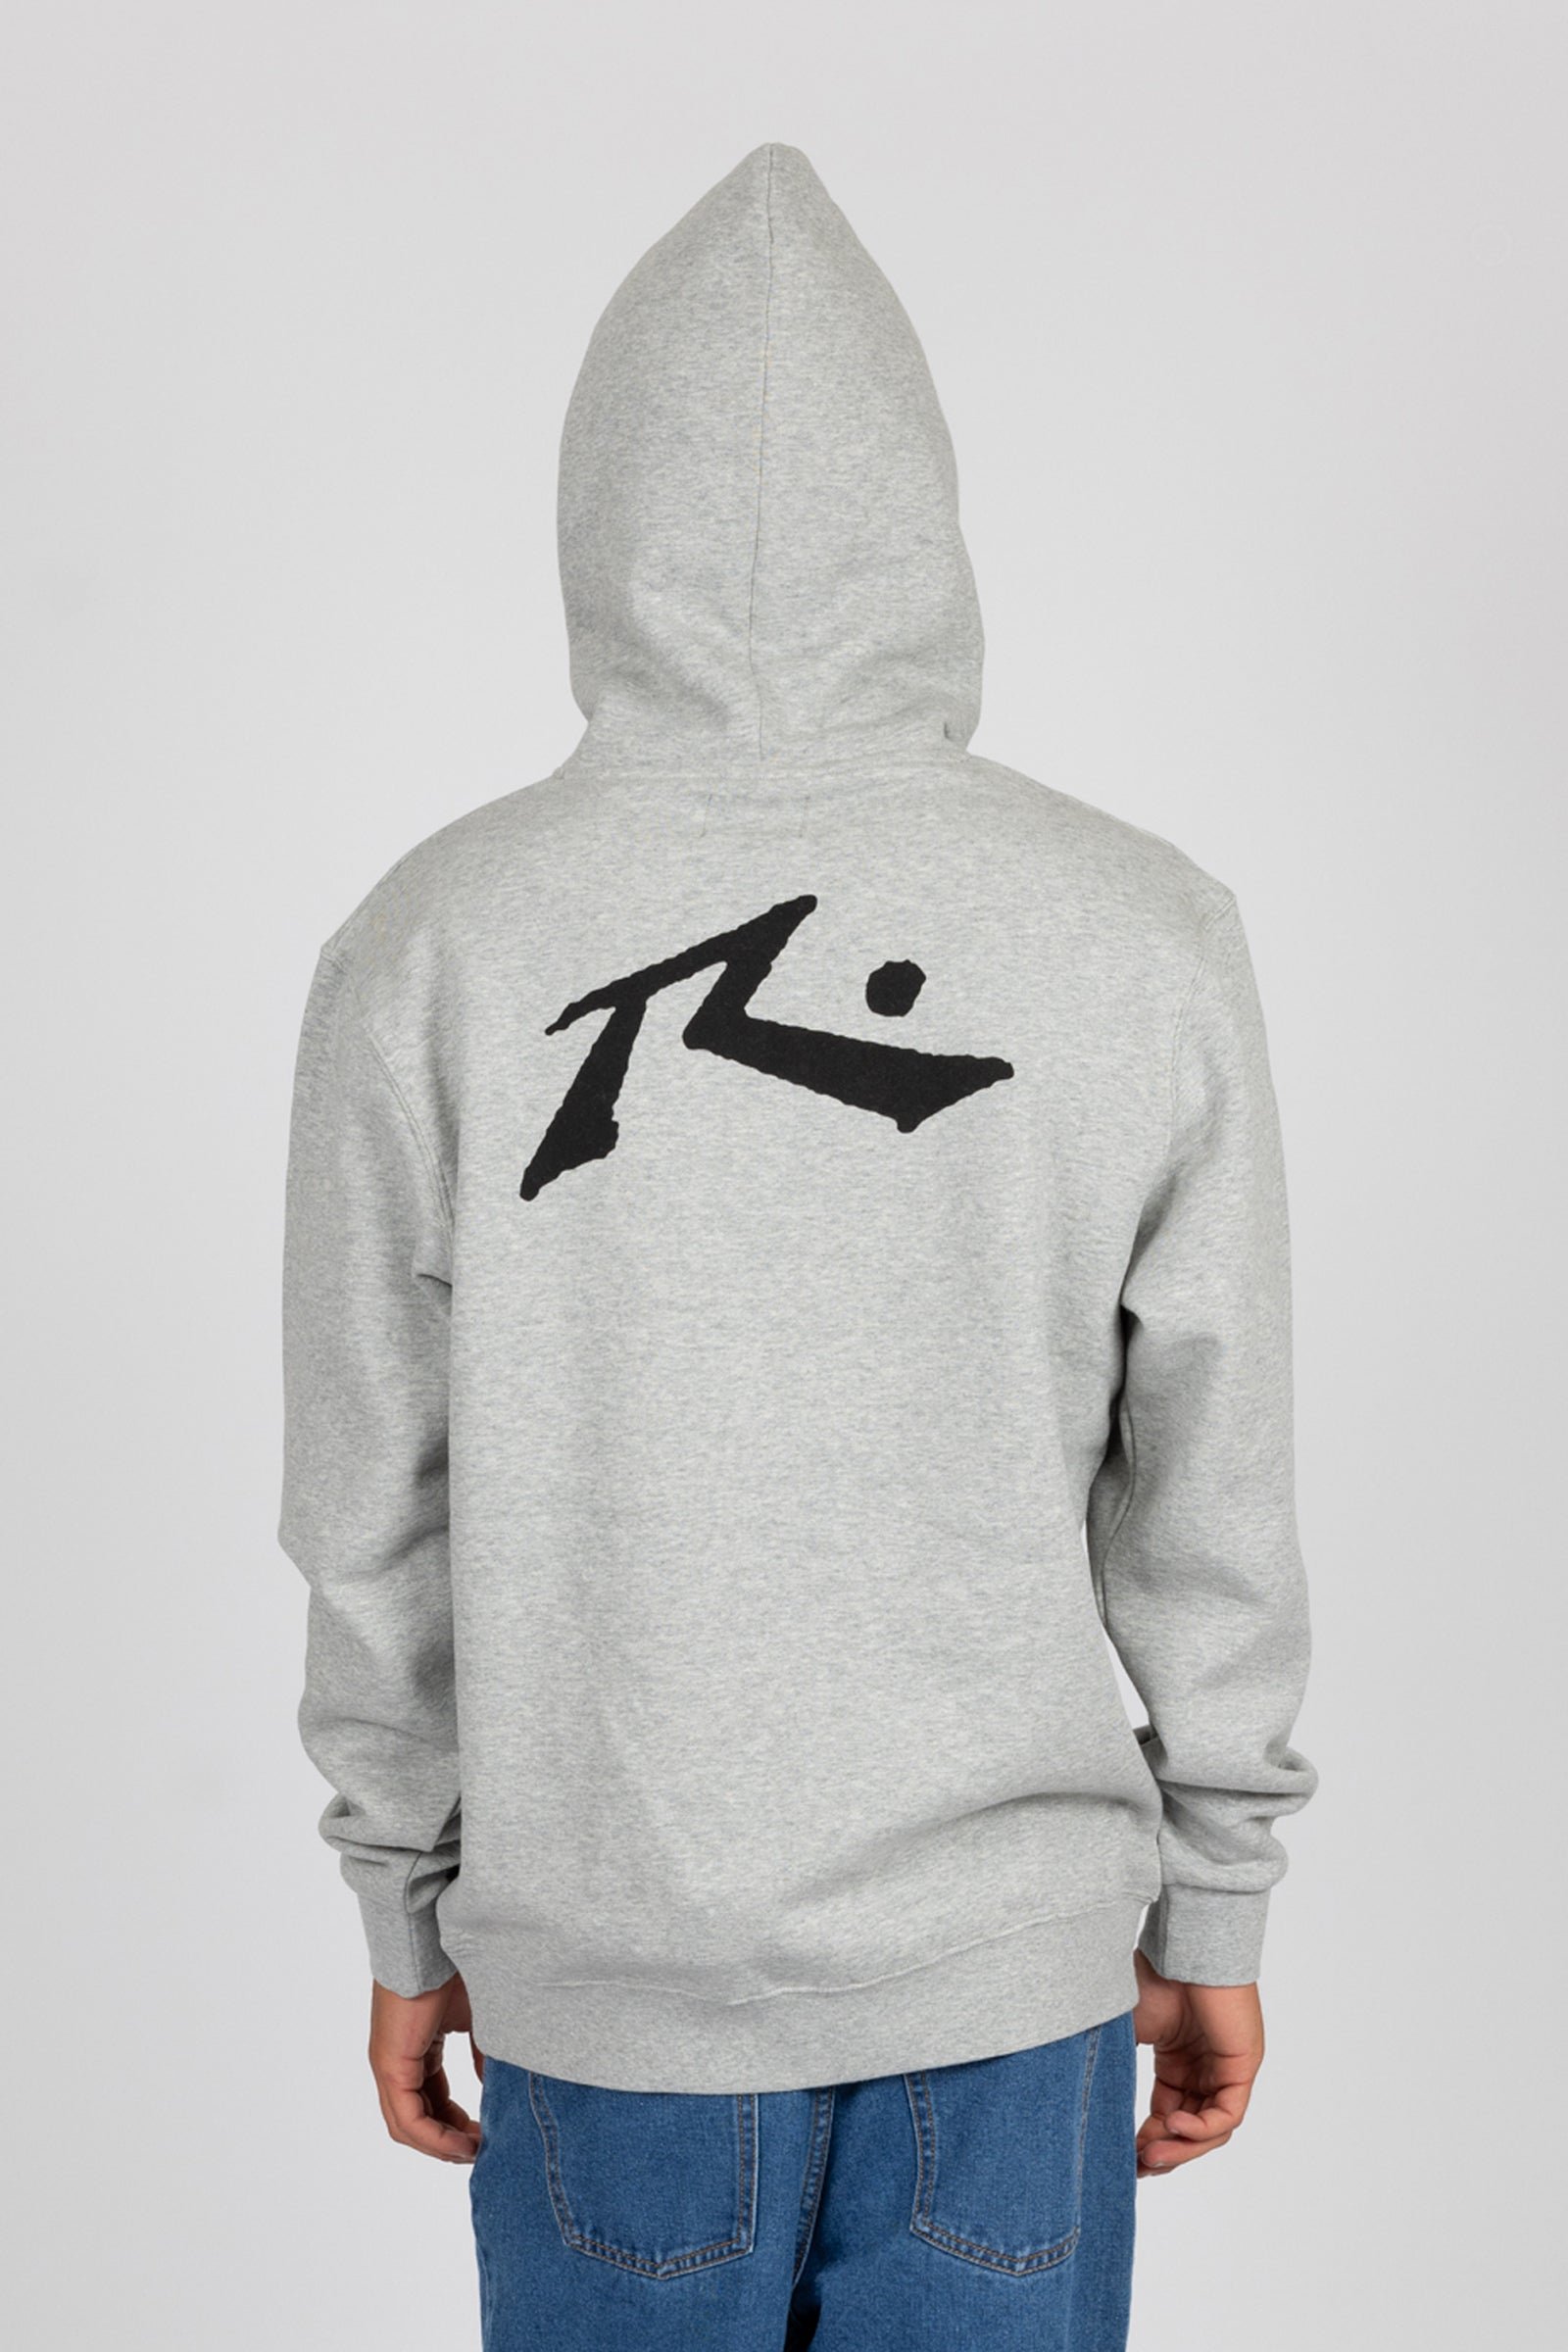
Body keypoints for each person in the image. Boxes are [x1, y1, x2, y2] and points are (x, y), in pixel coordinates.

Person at [279, 141, 1317, 2351]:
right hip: (1006, 1998)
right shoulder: (1135, 928)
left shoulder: (433, 940)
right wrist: (1215, 1903)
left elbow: (372, 1503)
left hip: (607, 1996)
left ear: (598, 521)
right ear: (925, 520)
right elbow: (1207, 1481)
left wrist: (403, 1908)